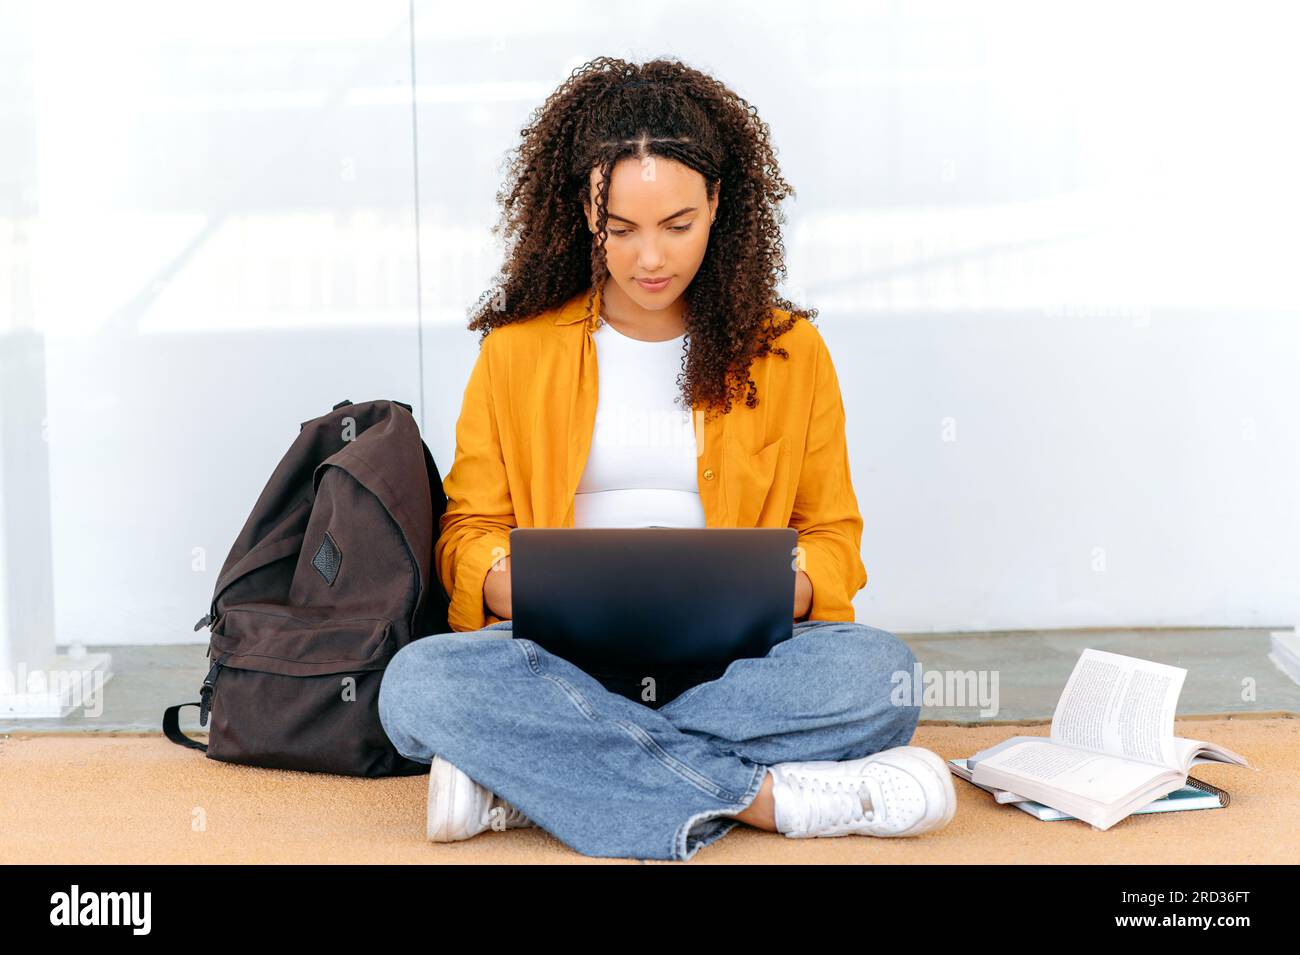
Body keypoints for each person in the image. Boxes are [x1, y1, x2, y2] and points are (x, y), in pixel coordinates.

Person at [378, 56, 956, 862]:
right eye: (622, 229)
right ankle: (763, 797)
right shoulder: (516, 353)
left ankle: (525, 783)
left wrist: (777, 589)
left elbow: (834, 540)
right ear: (587, 211)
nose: (650, 258)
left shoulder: (790, 352)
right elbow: (468, 531)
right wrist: (513, 582)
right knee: (417, 685)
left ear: (719, 204)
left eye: (677, 225)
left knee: (880, 674)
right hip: (560, 663)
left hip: (737, 667)